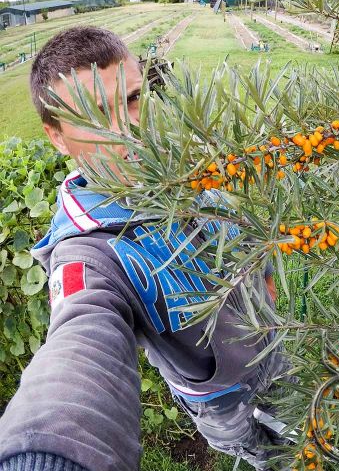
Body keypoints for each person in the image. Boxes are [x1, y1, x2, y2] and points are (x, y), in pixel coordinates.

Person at [0, 27, 291, 471]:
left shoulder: (191, 167)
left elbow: (247, 226)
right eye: (97, 114)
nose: (130, 128)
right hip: (221, 399)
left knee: (302, 409)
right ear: (56, 136)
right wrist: (47, 455)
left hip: (277, 345)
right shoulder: (89, 255)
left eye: (133, 98)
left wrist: (267, 281)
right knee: (261, 449)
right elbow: (80, 346)